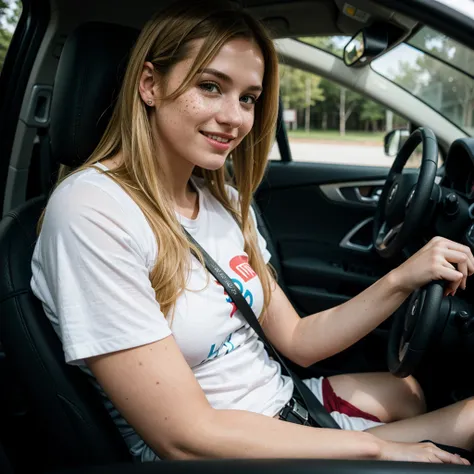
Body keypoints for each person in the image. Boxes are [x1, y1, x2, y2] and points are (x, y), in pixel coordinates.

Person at [31, 0, 474, 464]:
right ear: (149, 85)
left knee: (407, 391)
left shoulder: (221, 200)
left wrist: (405, 277)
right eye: (210, 86)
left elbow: (299, 340)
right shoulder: (92, 212)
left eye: (247, 98)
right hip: (230, 456)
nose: (236, 118)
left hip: (285, 409)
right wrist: (377, 449)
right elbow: (186, 438)